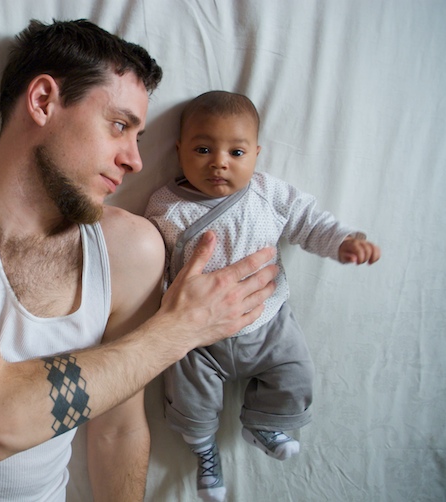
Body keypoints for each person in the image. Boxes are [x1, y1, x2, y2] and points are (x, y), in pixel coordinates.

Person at [0, 21, 278, 501]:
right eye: (119, 126)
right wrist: (181, 329)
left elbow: (118, 434)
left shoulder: (131, 251)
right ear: (43, 100)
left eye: (138, 135)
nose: (135, 159)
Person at [145, 90, 381, 502]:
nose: (219, 161)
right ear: (179, 150)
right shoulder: (165, 206)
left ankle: (264, 424)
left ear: (256, 153)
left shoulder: (267, 194)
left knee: (296, 371)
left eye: (236, 152)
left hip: (267, 320)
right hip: (198, 336)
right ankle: (203, 450)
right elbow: (151, 267)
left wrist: (343, 240)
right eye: (203, 149)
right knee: (188, 394)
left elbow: (309, 221)